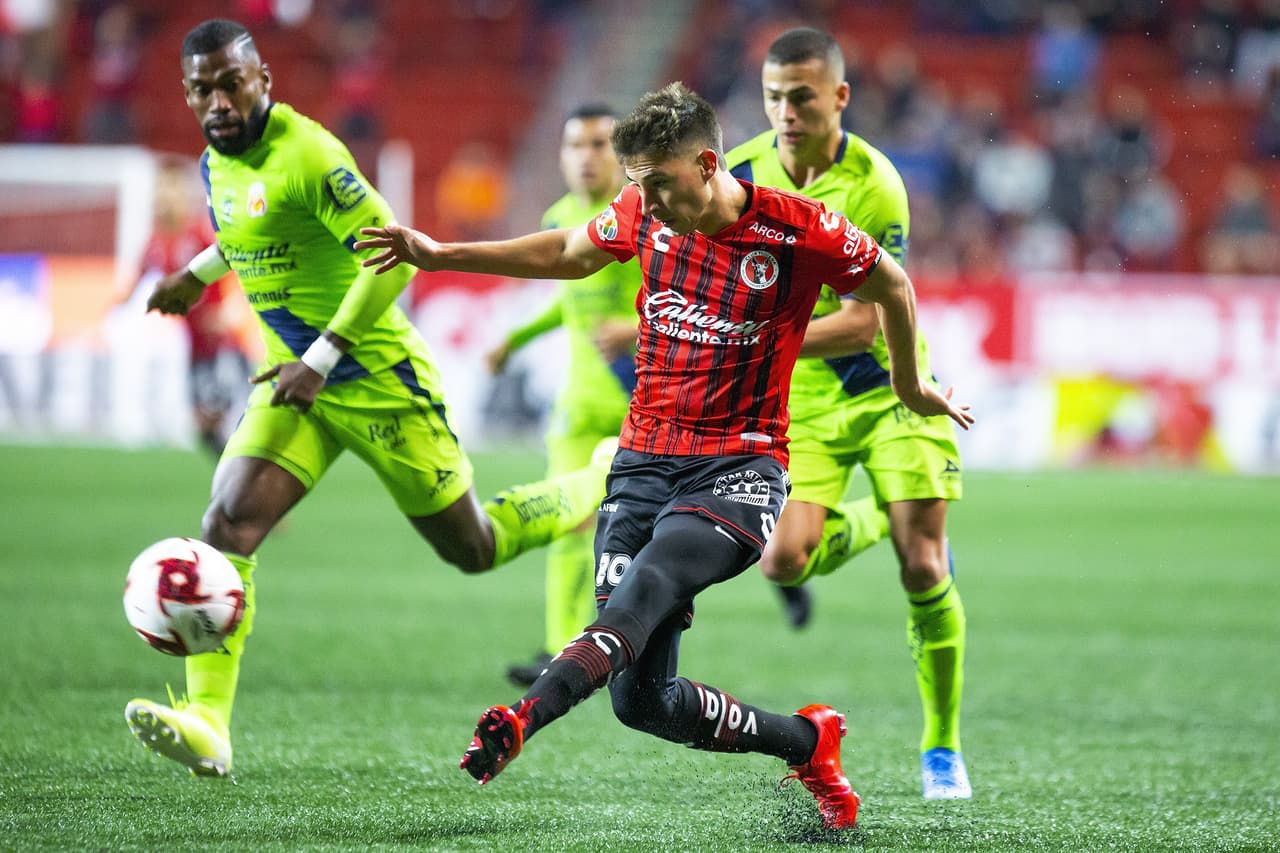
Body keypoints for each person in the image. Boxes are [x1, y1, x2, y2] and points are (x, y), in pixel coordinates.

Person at [356, 82, 972, 831]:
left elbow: (893, 284)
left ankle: (525, 716)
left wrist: (909, 383)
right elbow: (568, 250)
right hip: (643, 463)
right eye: (634, 186)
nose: (643, 204)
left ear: (708, 164)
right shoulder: (643, 212)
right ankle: (808, 740)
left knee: (647, 584)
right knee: (640, 701)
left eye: (657, 185)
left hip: (740, 468)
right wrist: (440, 252)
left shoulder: (797, 231)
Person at [125, 18, 611, 780]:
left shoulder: (311, 152)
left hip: (376, 377)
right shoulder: (217, 163)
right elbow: (254, 226)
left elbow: (393, 260)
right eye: (201, 90)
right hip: (297, 382)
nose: (218, 100)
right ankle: (208, 721)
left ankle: (598, 484)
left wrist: (322, 355)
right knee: (228, 521)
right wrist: (200, 271)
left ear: (264, 81)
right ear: (187, 96)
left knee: (473, 548)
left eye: (231, 83)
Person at [725, 27, 973, 801]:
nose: (785, 112)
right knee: (783, 560)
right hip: (804, 396)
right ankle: (874, 521)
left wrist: (765, 336)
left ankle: (941, 747)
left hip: (890, 383)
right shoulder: (740, 177)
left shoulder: (876, 183)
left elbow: (867, 321)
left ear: (839, 97)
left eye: (800, 96)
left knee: (923, 563)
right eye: (772, 97)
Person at [486, 104, 642, 687]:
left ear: (623, 154)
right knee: (567, 524)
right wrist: (515, 338)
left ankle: (633, 650)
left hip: (641, 401)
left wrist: (633, 327)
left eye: (601, 144)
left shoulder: (649, 211)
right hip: (578, 407)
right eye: (576, 145)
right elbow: (569, 299)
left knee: (643, 536)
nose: (587, 156)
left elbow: (682, 289)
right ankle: (560, 652)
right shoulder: (560, 216)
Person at [135, 154, 254, 459]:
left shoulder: (200, 234)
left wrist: (233, 310)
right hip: (197, 350)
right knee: (205, 428)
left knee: (220, 420)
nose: (163, 198)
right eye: (159, 191)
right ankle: (242, 487)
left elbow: (239, 267)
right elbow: (133, 286)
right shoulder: (156, 243)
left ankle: (246, 487)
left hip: (224, 346)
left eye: (169, 191)